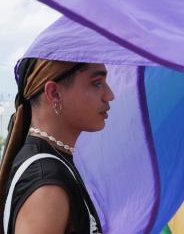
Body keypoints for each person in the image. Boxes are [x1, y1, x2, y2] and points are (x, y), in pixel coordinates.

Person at [0, 58, 115, 234]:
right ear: (54, 93)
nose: (109, 95)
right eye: (97, 83)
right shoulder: (46, 184)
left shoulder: (56, 161)